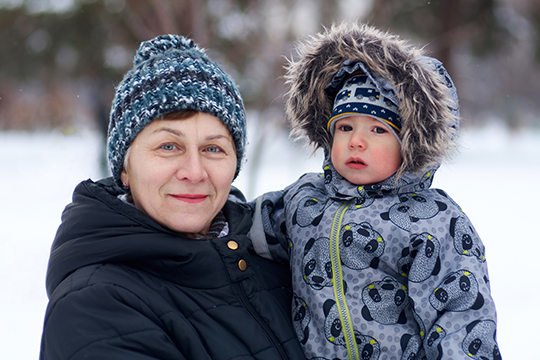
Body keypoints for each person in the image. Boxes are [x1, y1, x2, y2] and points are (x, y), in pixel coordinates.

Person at [40, 34, 306, 360]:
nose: (194, 172)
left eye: (213, 148)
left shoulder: (277, 255)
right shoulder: (93, 307)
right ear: (125, 168)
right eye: (169, 146)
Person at [249, 23, 501, 360]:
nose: (356, 140)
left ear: (410, 145)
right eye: (345, 126)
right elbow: (246, 225)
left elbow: (460, 315)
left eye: (378, 129)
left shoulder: (435, 222)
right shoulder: (304, 199)